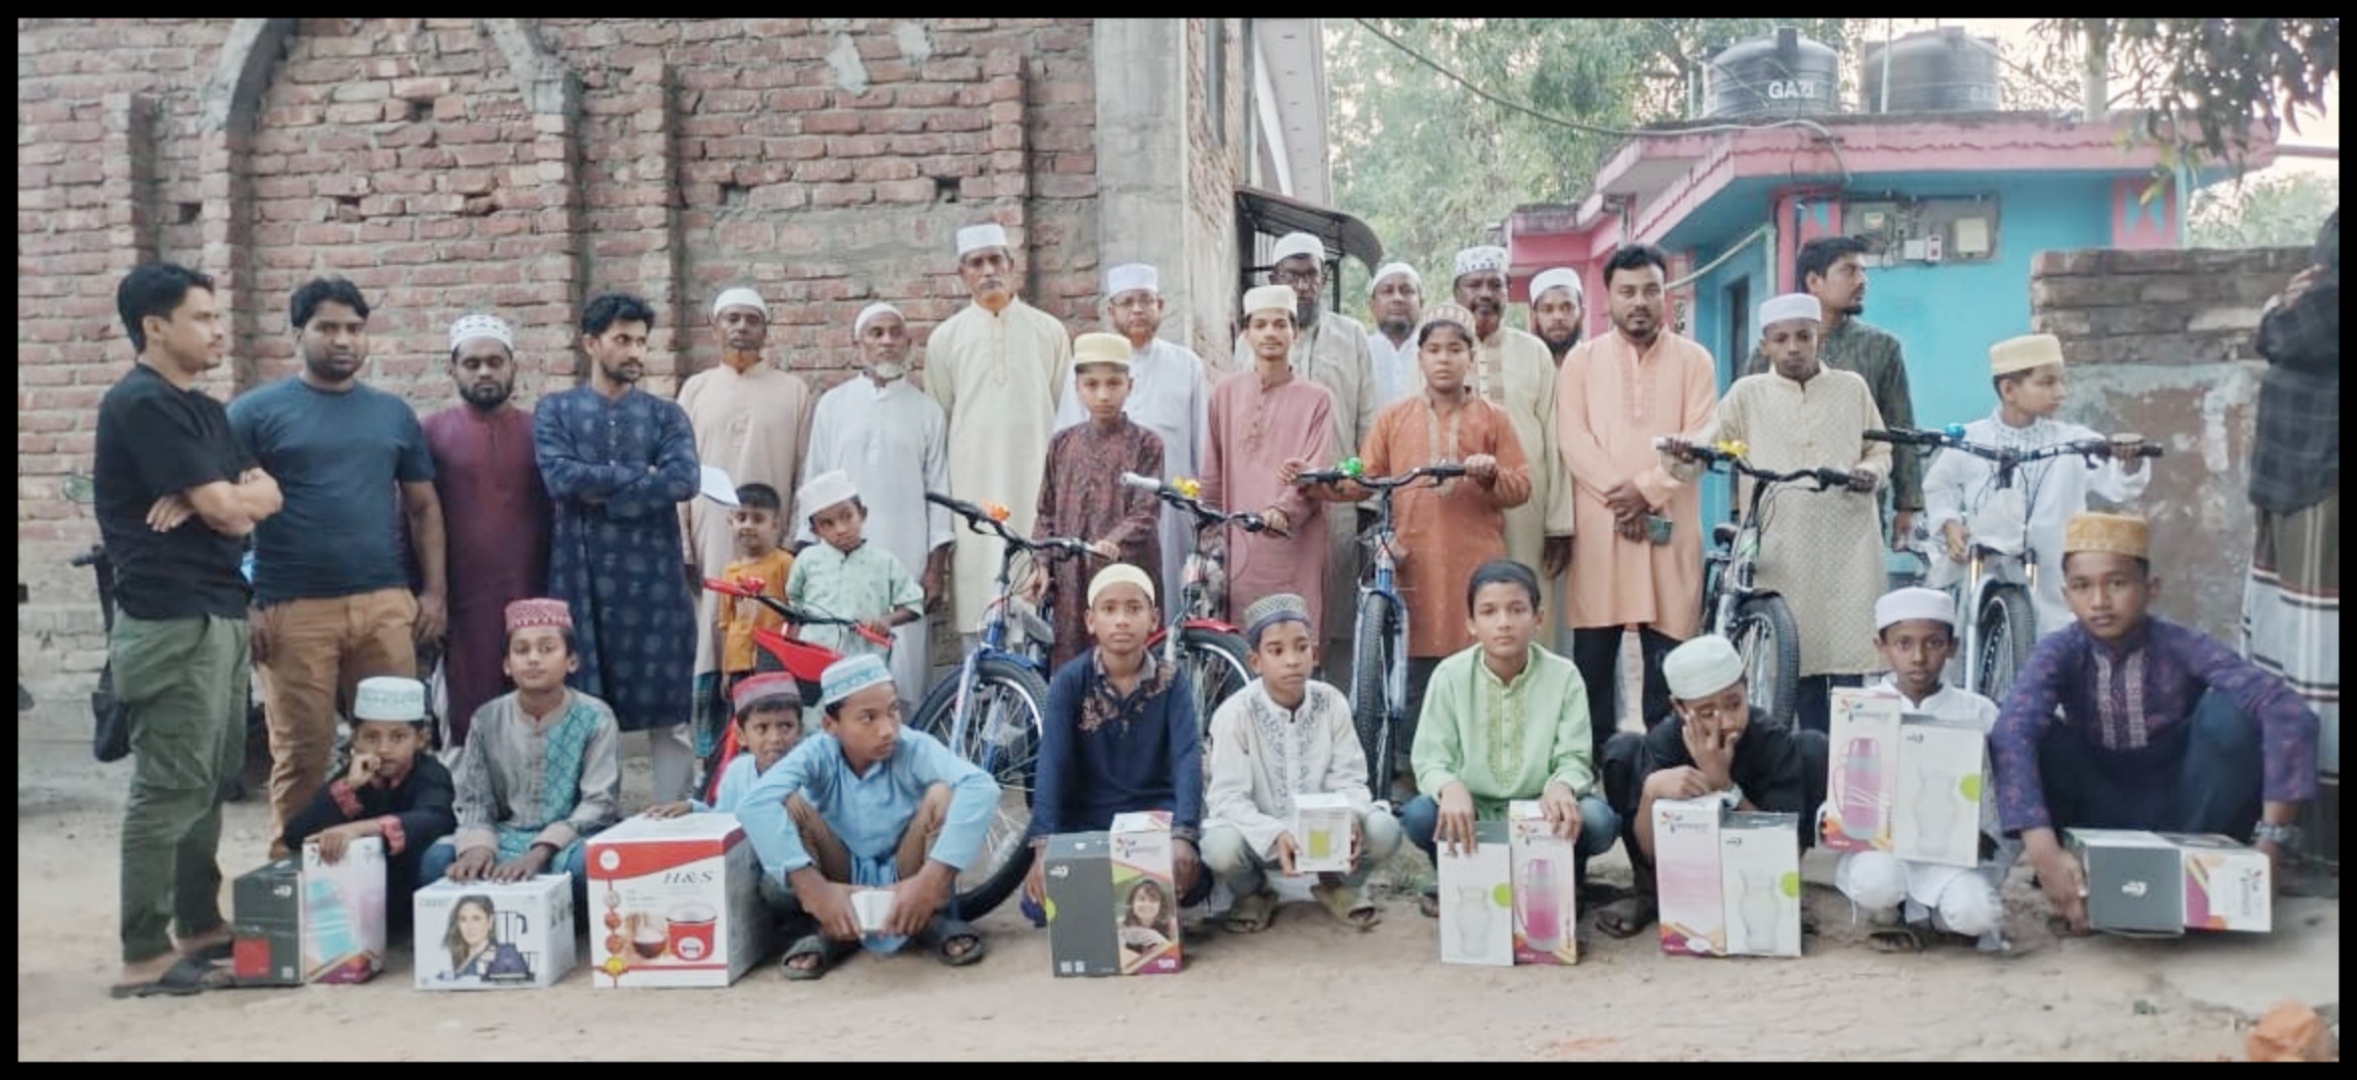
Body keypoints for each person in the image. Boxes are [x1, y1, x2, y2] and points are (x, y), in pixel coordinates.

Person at [1992, 513, 2322, 933]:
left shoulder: (2182, 644)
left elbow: (2286, 712)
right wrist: (2042, 851)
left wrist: (2272, 842)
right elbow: (2011, 732)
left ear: (2151, 588)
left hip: (2188, 811)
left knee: (2231, 713)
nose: (2099, 601)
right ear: (2065, 595)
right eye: (2082, 586)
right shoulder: (2059, 652)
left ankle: (2212, 872)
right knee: (2028, 732)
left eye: (2117, 583)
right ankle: (2076, 873)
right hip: (2094, 815)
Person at [97, 262, 284, 998]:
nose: (216, 330)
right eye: (201, 317)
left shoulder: (203, 410)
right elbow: (234, 512)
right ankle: (143, 951)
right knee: (169, 784)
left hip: (219, 610)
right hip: (169, 618)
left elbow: (266, 494)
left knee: (210, 779)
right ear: (155, 326)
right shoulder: (141, 403)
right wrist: (223, 499)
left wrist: (217, 495)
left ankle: (199, 925)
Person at [231, 276, 445, 849]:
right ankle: (291, 867)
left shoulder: (392, 414)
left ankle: (388, 865)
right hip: (292, 608)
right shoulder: (254, 413)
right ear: (298, 334)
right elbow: (222, 513)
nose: (343, 339)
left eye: (354, 328)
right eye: (327, 327)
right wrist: (243, 601)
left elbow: (423, 507)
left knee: (397, 746)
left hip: (384, 604)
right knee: (303, 749)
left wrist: (434, 594)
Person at [1307, 302, 1532, 793]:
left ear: (1471, 357)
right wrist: (1321, 482)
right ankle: (1410, 769)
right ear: (1421, 358)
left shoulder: (1493, 419)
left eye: (1454, 349)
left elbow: (1520, 486)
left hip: (1476, 564)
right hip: (1414, 564)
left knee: (1478, 666)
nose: (1444, 359)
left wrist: (1490, 474)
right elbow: (1363, 475)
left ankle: (1480, 769)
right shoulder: (1395, 418)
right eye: (1434, 350)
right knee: (1412, 667)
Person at [1669, 293, 1890, 733]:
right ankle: (1806, 761)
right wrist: (1685, 451)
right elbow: (1713, 444)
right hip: (1782, 542)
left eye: (1803, 337)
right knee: (1795, 663)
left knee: (1849, 670)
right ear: (1765, 344)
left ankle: (1845, 766)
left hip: (1848, 542)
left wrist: (1870, 472)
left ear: (1818, 338)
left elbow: (1879, 449)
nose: (1793, 348)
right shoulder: (1748, 394)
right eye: (1781, 339)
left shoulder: (1851, 388)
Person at [736, 654, 1002, 980]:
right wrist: (813, 888)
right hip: (839, 874)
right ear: (831, 726)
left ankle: (930, 916)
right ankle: (830, 927)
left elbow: (982, 787)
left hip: (908, 870)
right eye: (868, 718)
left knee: (942, 795)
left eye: (893, 711)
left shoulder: (914, 747)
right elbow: (754, 804)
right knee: (791, 805)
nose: (887, 729)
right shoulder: (817, 752)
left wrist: (931, 880)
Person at [533, 292, 701, 802]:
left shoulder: (666, 415)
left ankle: (674, 819)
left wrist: (600, 488)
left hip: (655, 583)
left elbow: (683, 480)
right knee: (584, 705)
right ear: (591, 343)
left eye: (642, 342)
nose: (635, 352)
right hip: (582, 578)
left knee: (669, 712)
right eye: (622, 340)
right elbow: (560, 479)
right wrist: (640, 478)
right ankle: (594, 820)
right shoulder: (556, 410)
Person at [1554, 243, 1719, 756]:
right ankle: (1590, 765)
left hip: (1670, 528)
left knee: (1670, 663)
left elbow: (1702, 439)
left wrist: (1646, 492)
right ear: (1608, 298)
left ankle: (1667, 764)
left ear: (1665, 294)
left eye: (1651, 290)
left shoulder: (1695, 360)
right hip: (1601, 533)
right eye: (1627, 292)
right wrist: (1622, 497)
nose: (1640, 302)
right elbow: (1572, 440)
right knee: (1593, 666)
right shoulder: (1582, 362)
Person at [1404, 561, 1618, 917]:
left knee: (1598, 820)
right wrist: (1449, 786)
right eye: (1489, 611)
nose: (1503, 622)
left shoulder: (1564, 676)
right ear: (1471, 623)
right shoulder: (1450, 675)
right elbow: (1430, 758)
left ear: (1538, 618)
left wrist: (1561, 785)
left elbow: (1575, 756)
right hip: (1474, 810)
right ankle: (1456, 877)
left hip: (1541, 810)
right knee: (1419, 815)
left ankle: (1568, 878)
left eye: (1517, 610)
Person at [1594, 634, 1828, 939]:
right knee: (1621, 750)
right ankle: (1650, 894)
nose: (1727, 721)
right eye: (1707, 713)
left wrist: (1724, 786)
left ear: (1746, 688)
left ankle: (1780, 895)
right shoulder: (1665, 741)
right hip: (1685, 869)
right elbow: (1650, 851)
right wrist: (1651, 792)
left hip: (1758, 870)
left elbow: (1783, 847)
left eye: (1734, 704)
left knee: (1813, 747)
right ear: (1679, 708)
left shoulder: (1770, 739)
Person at [1922, 332, 2151, 639]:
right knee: (1968, 629)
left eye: (2061, 382)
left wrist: (2128, 459)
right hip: (1985, 563)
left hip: (2050, 570)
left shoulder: (2073, 442)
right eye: (2047, 382)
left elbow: (2119, 484)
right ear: (2009, 390)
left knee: (2056, 635)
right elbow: (1940, 485)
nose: (2060, 392)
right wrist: (1949, 523)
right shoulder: (1971, 439)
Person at [1202, 593, 1404, 934]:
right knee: (1219, 847)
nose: (1292, 661)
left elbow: (1351, 779)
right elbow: (1227, 798)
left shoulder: (1331, 702)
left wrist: (1351, 815)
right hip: (1261, 838)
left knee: (1384, 830)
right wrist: (1275, 834)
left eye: (1301, 647)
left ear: (1314, 652)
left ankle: (1336, 884)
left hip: (1326, 837)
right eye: (1277, 651)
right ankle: (1253, 893)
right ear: (1255, 661)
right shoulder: (1234, 714)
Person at [1826, 588, 2009, 953]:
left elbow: (1997, 793)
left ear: (1952, 647)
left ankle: (1938, 915)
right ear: (1881, 646)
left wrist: (1985, 837)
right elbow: (1842, 784)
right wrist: (1831, 819)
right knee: (1875, 882)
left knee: (1975, 914)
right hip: (1885, 850)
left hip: (1953, 856)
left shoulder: (1979, 712)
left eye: (1934, 643)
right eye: (1904, 644)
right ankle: (1891, 911)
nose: (1919, 657)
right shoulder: (1862, 708)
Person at [1023, 565, 1209, 922]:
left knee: (1194, 880)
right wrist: (1044, 845)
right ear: (1091, 621)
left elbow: (1187, 758)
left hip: (1152, 817)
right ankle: (1123, 897)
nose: (1122, 620)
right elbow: (1051, 764)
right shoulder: (1069, 682)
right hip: (1088, 818)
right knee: (1038, 905)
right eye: (1109, 609)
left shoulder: (1172, 682)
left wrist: (1183, 835)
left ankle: (1120, 898)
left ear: (1154, 619)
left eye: (1134, 609)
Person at [422, 598, 623, 919]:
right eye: (521, 650)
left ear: (571, 661)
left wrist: (540, 852)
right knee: (436, 862)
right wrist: (479, 848)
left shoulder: (596, 717)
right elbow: (475, 800)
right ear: (506, 665)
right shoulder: (487, 719)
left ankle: (555, 924)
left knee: (590, 866)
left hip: (571, 841)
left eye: (547, 649)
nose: (533, 659)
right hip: (506, 837)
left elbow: (600, 804)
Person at [679, 286, 814, 766]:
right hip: (709, 543)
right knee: (712, 642)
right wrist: (684, 547)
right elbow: (681, 473)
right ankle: (713, 766)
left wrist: (794, 542)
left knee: (768, 645)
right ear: (714, 327)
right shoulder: (695, 390)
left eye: (751, 319)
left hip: (773, 554)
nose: (741, 327)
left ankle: (770, 758)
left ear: (765, 329)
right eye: (731, 318)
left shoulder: (793, 392)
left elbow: (804, 471)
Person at [1235, 232, 1378, 681]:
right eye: (1292, 276)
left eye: (1311, 275)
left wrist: (1368, 500)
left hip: (1337, 501)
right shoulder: (1251, 342)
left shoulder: (1352, 336)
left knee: (1335, 617)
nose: (1302, 286)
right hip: (1269, 502)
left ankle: (1334, 705)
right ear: (1275, 278)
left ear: (1324, 279)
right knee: (1270, 614)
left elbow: (1368, 421)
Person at [798, 302, 954, 711]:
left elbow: (939, 493)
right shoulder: (833, 405)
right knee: (842, 674)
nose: (886, 342)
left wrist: (935, 569)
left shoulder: (927, 411)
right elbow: (813, 484)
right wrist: (808, 557)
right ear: (858, 344)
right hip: (839, 563)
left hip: (906, 558)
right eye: (876, 333)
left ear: (908, 343)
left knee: (906, 675)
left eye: (894, 333)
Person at [925, 222, 1074, 646]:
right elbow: (940, 422)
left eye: (995, 260)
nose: (988, 270)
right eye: (977, 263)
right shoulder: (944, 340)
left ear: (1012, 265)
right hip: (972, 495)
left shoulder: (1049, 332)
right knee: (981, 617)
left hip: (1036, 491)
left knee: (1037, 619)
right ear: (963, 274)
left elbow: (1066, 420)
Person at [2241, 208, 2337, 809]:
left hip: (2322, 477)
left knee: (2318, 652)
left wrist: (2279, 308)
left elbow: (2285, 335)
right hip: (2293, 477)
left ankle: (2310, 817)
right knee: (2287, 644)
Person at [1743, 236, 1924, 550]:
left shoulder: (1881, 348)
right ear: (1814, 281)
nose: (1862, 280)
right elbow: (1744, 429)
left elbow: (1899, 428)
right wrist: (1740, 506)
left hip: (1854, 508)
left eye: (1863, 271)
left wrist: (1908, 505)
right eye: (1849, 271)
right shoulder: (1768, 353)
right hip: (1779, 509)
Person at [421, 313, 552, 749]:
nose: (484, 372)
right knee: (468, 717)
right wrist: (428, 596)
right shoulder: (432, 433)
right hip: (462, 602)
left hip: (534, 593)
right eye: (472, 363)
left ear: (513, 366)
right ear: (453, 369)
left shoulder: (540, 431)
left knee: (537, 712)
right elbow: (413, 516)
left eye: (495, 362)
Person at [1053, 264, 1209, 608]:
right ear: (1111, 311)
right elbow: (1067, 448)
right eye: (1126, 302)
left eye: (1145, 300)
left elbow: (1203, 449)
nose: (1137, 309)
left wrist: (1201, 512)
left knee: (1167, 602)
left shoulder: (1187, 365)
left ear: (1160, 306)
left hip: (1170, 511)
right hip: (1098, 511)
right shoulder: (1086, 366)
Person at [1201, 285, 1338, 633]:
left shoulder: (1317, 399)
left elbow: (1315, 466)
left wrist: (1282, 511)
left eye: (1280, 324)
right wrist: (1210, 526)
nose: (1270, 333)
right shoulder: (1224, 393)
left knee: (1292, 633)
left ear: (1295, 332)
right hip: (1238, 537)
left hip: (1293, 539)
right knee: (1240, 638)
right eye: (1260, 325)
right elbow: (1213, 468)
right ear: (1246, 334)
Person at [1451, 246, 1574, 618]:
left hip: (1528, 509)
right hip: (1459, 504)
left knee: (1530, 600)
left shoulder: (1534, 352)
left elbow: (1556, 440)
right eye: (1474, 284)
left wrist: (1559, 524)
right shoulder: (1438, 352)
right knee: (1464, 603)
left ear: (1507, 292)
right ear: (1457, 292)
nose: (1485, 293)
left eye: (1495, 285)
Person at [280, 676, 456, 932]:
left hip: (412, 892)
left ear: (421, 739)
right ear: (355, 740)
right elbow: (295, 836)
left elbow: (435, 819)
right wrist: (348, 787)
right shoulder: (354, 776)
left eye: (398, 737)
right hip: (362, 904)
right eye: (371, 738)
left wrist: (359, 829)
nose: (384, 749)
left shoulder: (431, 775)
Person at [1034, 331, 1165, 669]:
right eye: (1092, 385)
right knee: (1073, 667)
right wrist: (1042, 563)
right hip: (1070, 577)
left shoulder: (1147, 444)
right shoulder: (1062, 444)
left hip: (1126, 572)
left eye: (1113, 383)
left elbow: (1146, 511)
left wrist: (1113, 541)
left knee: (1129, 666)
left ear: (1129, 386)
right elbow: (1045, 511)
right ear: (1077, 388)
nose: (1103, 394)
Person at [645, 673, 808, 924]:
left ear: (800, 731)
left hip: (797, 870)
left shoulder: (810, 772)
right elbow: (724, 821)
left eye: (785, 726)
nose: (775, 738)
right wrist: (694, 808)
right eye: (762, 728)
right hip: (748, 868)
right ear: (741, 736)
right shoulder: (738, 772)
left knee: (776, 887)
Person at [787, 470, 924, 670]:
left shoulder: (884, 562)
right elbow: (794, 604)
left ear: (862, 514)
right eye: (827, 524)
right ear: (815, 530)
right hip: (815, 660)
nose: (840, 529)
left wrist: (886, 621)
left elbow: (913, 605)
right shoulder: (807, 560)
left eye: (847, 517)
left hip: (866, 663)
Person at [712, 481, 793, 736]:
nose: (747, 525)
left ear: (775, 524)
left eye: (758, 519)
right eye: (741, 517)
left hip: (773, 662)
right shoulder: (730, 571)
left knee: (771, 721)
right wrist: (726, 670)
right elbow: (727, 623)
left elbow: (796, 615)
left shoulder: (784, 564)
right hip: (738, 663)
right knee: (742, 724)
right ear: (730, 521)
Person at [1365, 261, 1425, 408]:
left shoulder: (1435, 352)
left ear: (1421, 304)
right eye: (1387, 291)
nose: (1397, 298)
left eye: (1407, 291)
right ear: (1372, 306)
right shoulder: (1360, 352)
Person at [435, 895, 532, 984]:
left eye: (476, 919)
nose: (469, 926)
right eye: (463, 919)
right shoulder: (462, 956)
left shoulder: (492, 959)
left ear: (490, 922)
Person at [1528, 266, 1585, 367]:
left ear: (1582, 313)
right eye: (1547, 309)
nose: (1558, 317)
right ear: (1534, 317)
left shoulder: (1598, 363)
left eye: (1567, 308)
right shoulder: (1523, 365)